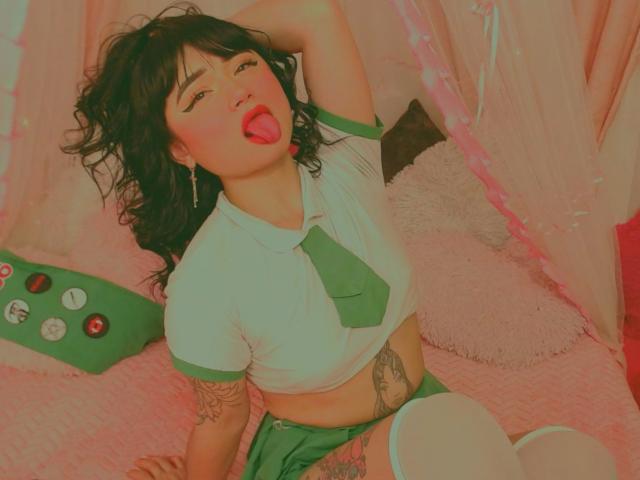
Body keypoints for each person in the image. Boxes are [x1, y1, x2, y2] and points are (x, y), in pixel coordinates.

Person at [60, 1, 619, 479]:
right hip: (321, 459)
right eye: (198, 95)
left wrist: (198, 38)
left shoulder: (347, 163)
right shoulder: (206, 282)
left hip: (425, 425)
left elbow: (315, 13)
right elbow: (220, 418)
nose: (237, 92)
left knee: (574, 462)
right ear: (180, 149)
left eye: (244, 65)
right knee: (449, 436)